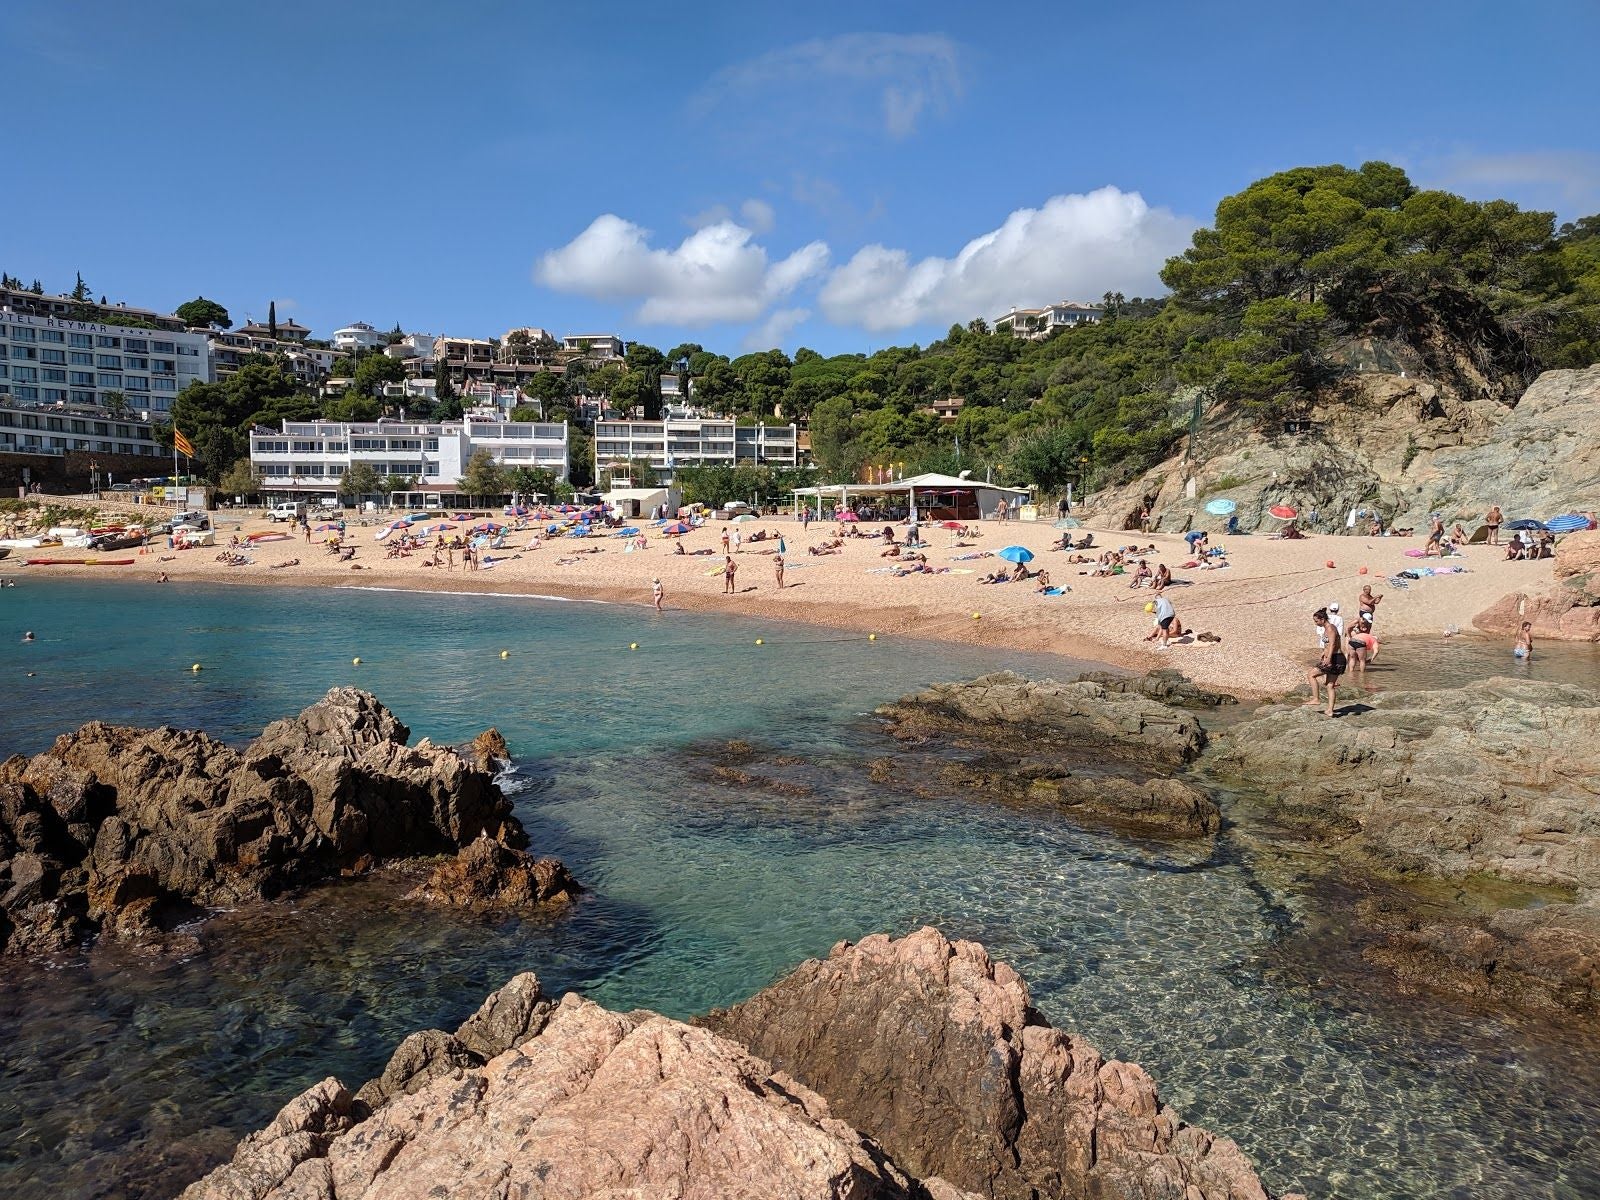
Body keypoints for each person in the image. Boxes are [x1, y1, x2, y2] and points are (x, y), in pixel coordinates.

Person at [1306, 608, 1346, 717]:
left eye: (1316, 621)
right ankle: (1330, 710)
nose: (1315, 623)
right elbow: (1328, 645)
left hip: (1335, 658)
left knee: (1311, 675)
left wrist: (1328, 658)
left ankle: (1316, 699)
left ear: (1322, 619)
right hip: (1335, 657)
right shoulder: (1326, 628)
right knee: (1330, 685)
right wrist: (1324, 652)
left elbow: (1333, 644)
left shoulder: (1330, 628)